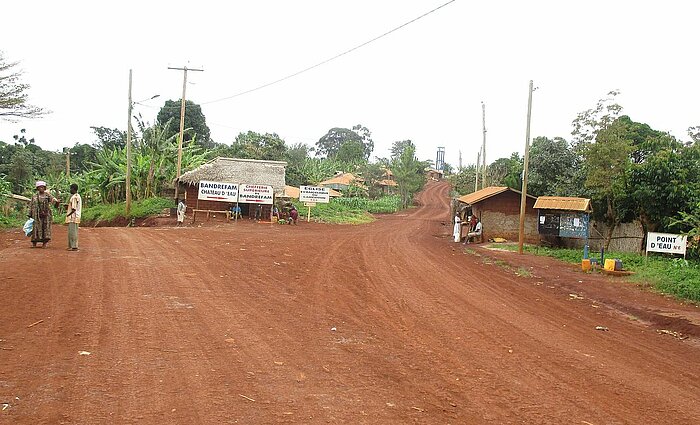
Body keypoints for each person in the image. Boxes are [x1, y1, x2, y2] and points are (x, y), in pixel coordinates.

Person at [28, 180, 60, 248]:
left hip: (46, 215)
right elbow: (31, 205)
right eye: (40, 187)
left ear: (45, 188)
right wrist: (30, 214)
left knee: (45, 228)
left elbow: (54, 202)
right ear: (37, 188)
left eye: (42, 187)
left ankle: (44, 243)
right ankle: (34, 243)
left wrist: (57, 202)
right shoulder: (34, 196)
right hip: (36, 215)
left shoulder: (48, 195)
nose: (41, 188)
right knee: (36, 228)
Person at [65, 183, 82, 251]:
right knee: (74, 231)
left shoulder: (74, 197)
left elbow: (73, 209)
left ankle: (73, 246)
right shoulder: (78, 196)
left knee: (72, 232)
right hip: (76, 217)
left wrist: (68, 215)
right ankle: (72, 246)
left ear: (73, 189)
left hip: (73, 217)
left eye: (71, 188)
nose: (70, 190)